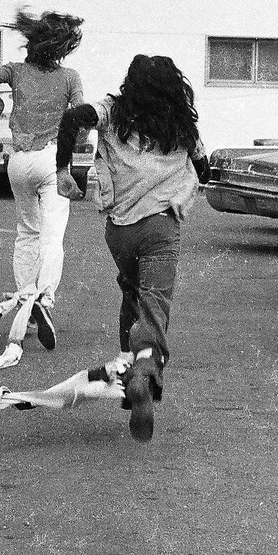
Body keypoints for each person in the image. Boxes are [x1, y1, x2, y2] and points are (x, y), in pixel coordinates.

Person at [55, 54, 209, 442]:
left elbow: (73, 119)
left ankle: (127, 370)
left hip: (120, 228)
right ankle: (144, 373)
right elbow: (203, 166)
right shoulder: (180, 123)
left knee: (132, 293)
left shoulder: (110, 111)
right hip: (162, 225)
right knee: (154, 304)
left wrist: (63, 170)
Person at [0, 8, 84, 350]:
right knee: (53, 236)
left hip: (18, 161)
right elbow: (80, 115)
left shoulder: (15, 72)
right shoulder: (70, 78)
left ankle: (24, 297)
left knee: (26, 233)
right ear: (62, 48)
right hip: (52, 159)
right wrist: (77, 137)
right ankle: (44, 301)